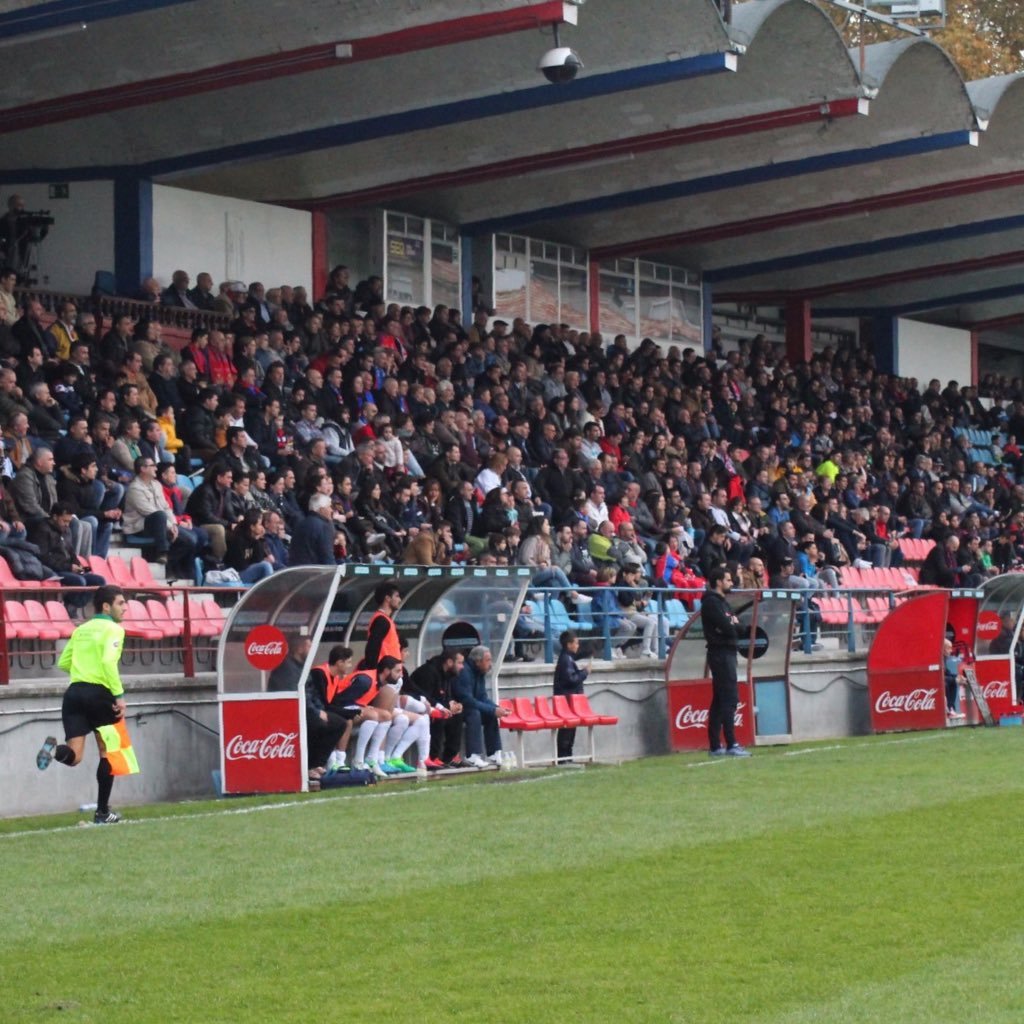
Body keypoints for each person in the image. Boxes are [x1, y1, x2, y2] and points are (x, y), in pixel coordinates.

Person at [47, 586, 138, 824]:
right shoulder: (114, 629)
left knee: (74, 756)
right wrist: (118, 695)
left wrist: (83, 671)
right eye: (120, 603)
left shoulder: (81, 629)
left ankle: (53, 751)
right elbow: (109, 661)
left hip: (74, 693)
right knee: (107, 752)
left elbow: (64, 662)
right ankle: (102, 812)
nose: (125, 607)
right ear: (106, 607)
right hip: (100, 695)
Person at [701, 566, 750, 757]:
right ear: (719, 582)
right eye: (728, 580)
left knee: (720, 700)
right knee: (729, 698)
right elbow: (728, 627)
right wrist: (733, 627)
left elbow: (740, 626)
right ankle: (731, 743)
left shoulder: (723, 603)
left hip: (727, 652)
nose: (731, 583)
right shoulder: (712, 603)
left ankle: (715, 745)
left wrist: (734, 627)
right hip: (720, 653)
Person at [453, 645, 511, 768]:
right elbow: (467, 700)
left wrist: (496, 708)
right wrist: (492, 709)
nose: (490, 664)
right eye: (488, 660)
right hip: (458, 708)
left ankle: (493, 753)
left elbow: (482, 697)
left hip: (470, 705)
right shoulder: (465, 672)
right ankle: (472, 756)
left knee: (490, 714)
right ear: (478, 661)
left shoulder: (479, 672)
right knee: (475, 713)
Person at [408, 648, 465, 768]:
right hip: (416, 707)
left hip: (434, 706)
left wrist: (452, 703)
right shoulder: (428, 672)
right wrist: (444, 706)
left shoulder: (447, 674)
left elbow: (444, 695)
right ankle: (433, 757)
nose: (462, 666)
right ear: (449, 662)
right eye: (459, 663)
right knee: (439, 716)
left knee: (456, 716)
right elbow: (426, 697)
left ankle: (450, 757)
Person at [553, 630, 589, 761]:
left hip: (569, 700)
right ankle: (564, 757)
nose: (578, 645)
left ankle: (567, 756)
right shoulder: (565, 660)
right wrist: (584, 673)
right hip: (567, 701)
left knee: (570, 730)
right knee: (566, 730)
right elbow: (571, 680)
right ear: (569, 644)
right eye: (576, 643)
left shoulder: (567, 659)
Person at [942, 638, 966, 720]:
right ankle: (949, 710)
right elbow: (940, 676)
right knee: (947, 683)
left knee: (953, 682)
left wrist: (957, 677)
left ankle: (951, 709)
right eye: (949, 648)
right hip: (932, 682)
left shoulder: (943, 659)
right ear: (942, 648)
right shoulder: (938, 659)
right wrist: (954, 679)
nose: (951, 650)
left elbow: (947, 673)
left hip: (941, 680)